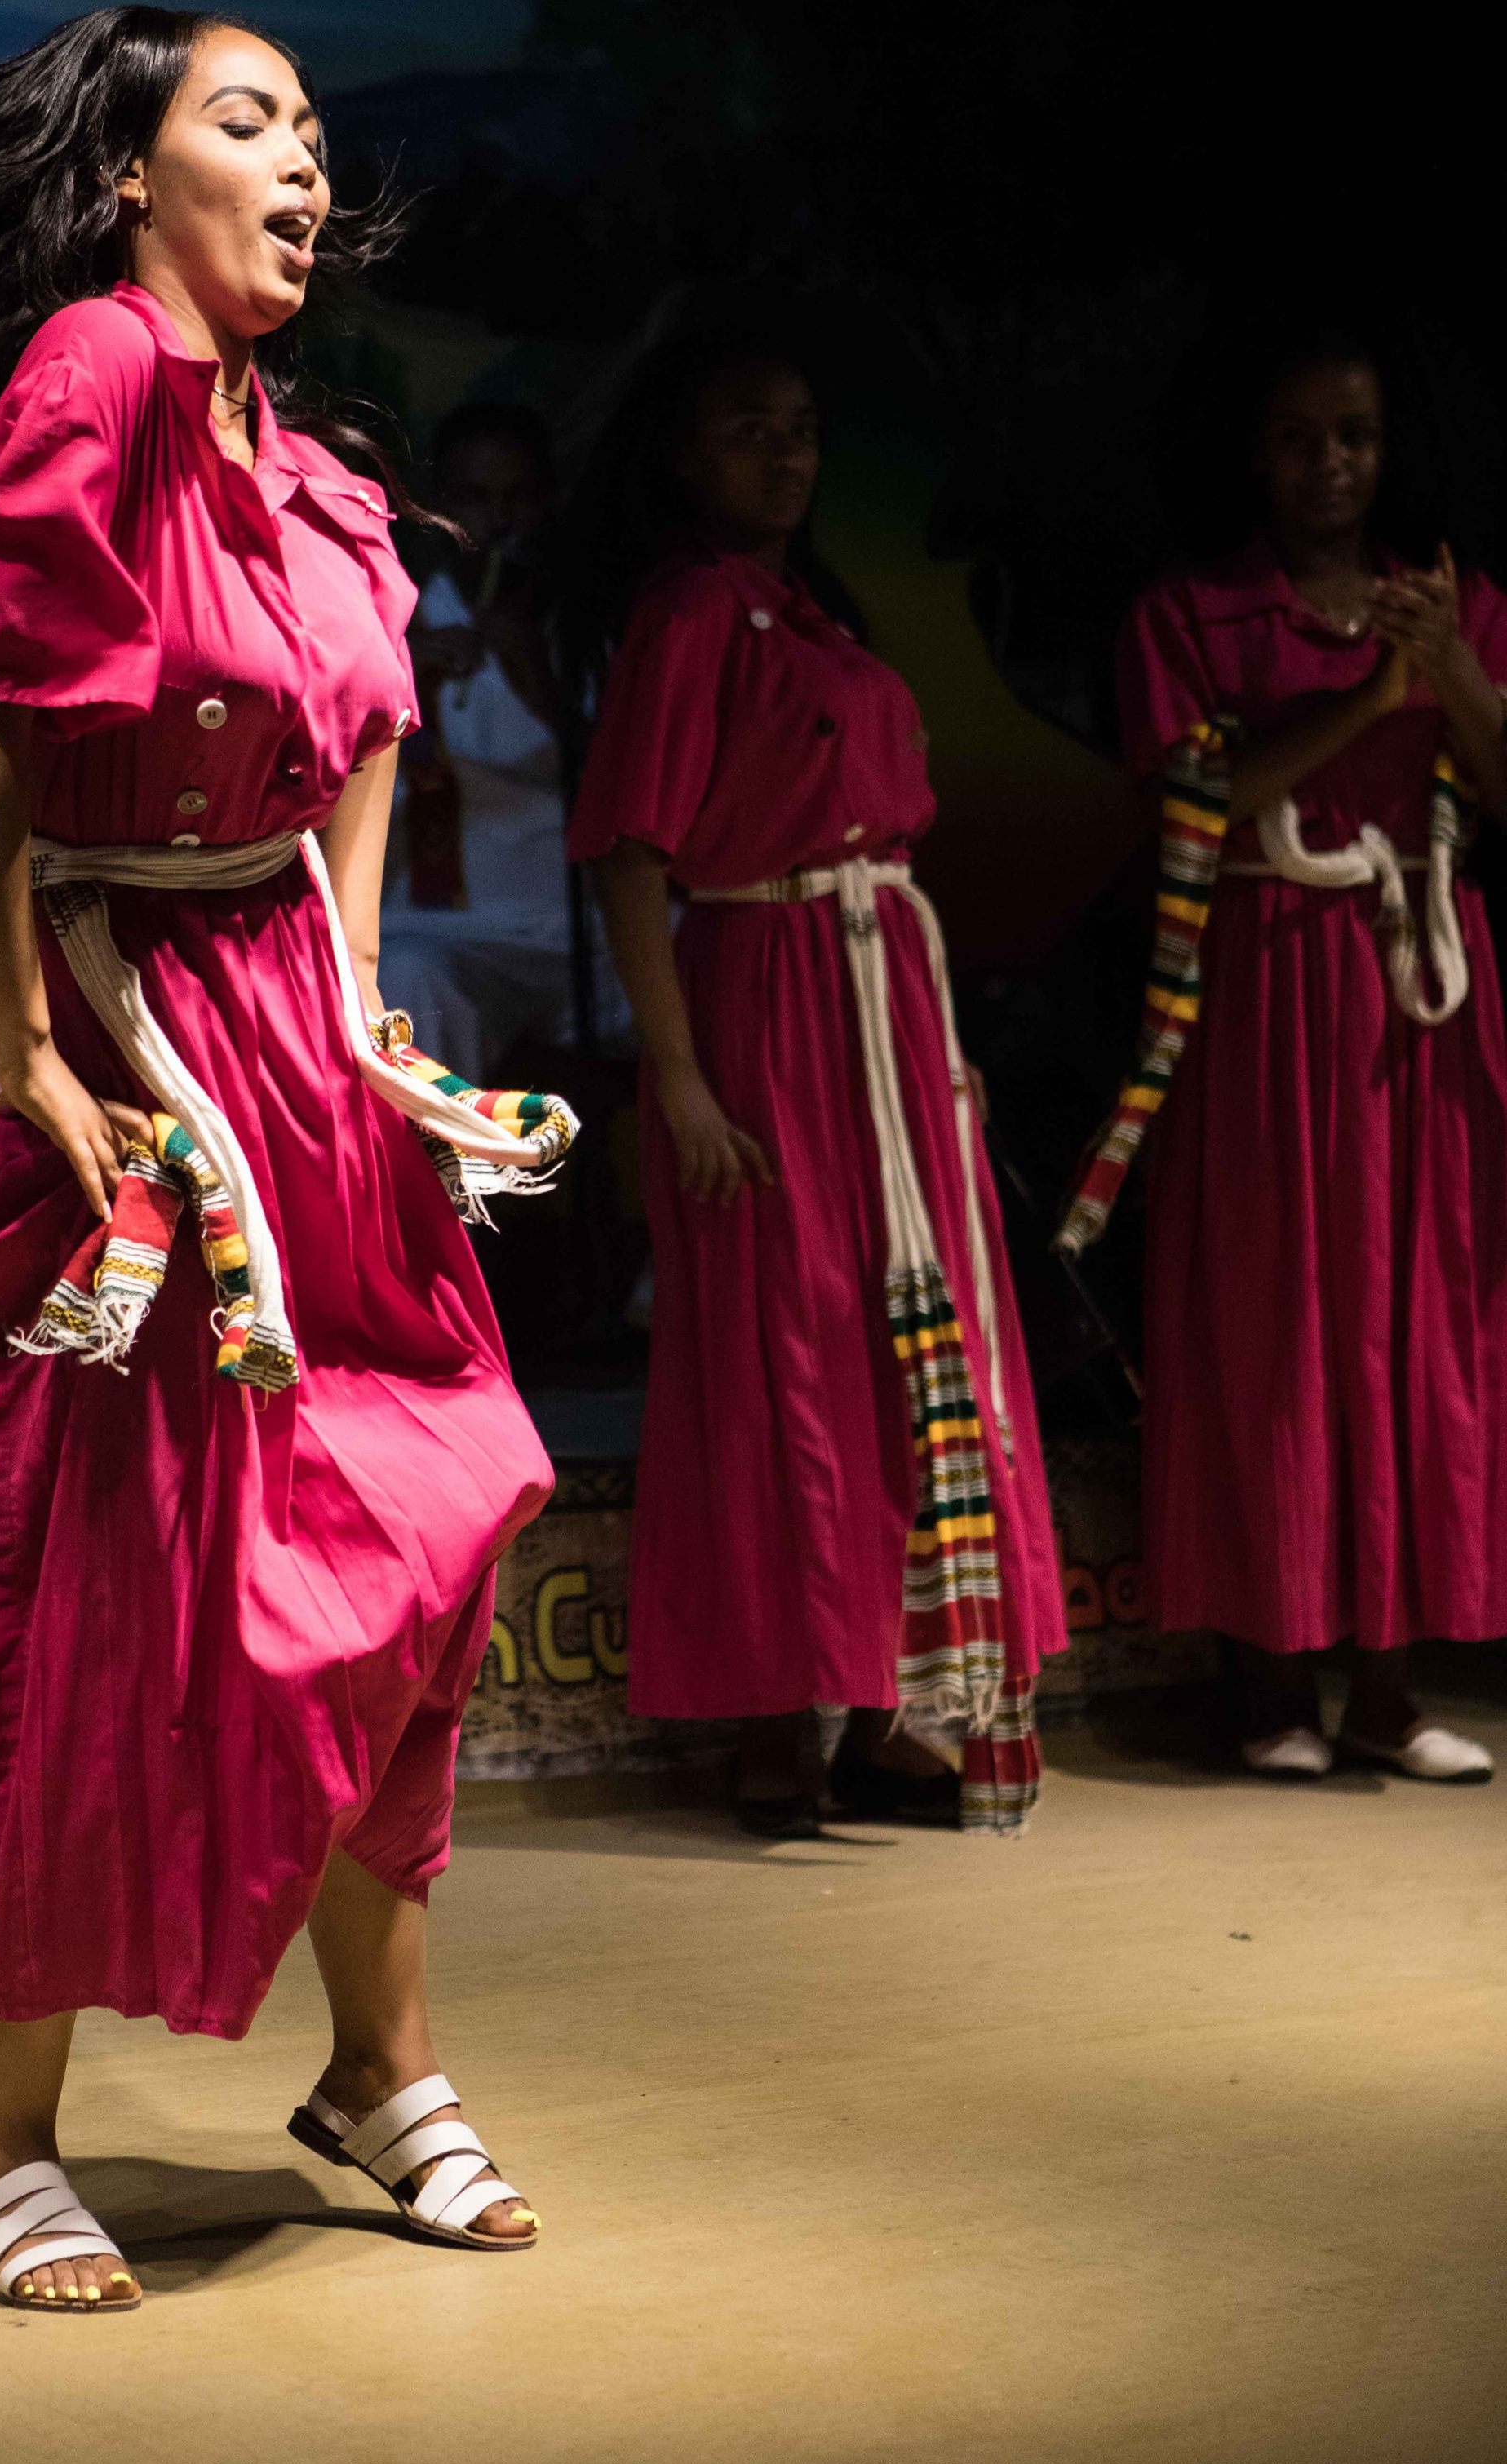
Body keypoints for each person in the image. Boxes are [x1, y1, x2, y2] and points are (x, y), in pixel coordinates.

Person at [0, 5, 573, 2311]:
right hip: (107, 1061)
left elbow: (369, 721)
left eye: (316, 133)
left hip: (290, 1057)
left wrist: (353, 996)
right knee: (87, 1590)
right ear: (131, 178)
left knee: (412, 1545)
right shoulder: (103, 371)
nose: (305, 166)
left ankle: (376, 2070)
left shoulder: (296, 452)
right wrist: (34, 1054)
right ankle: (3, 2147)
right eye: (249, 124)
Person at [563, 333, 1064, 1837]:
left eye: (798, 429)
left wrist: (938, 1057)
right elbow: (631, 861)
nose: (782, 456)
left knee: (898, 1349)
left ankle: (879, 1711)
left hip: (882, 1016)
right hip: (765, 1004)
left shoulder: (816, 618)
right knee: (784, 1344)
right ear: (683, 455)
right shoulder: (690, 614)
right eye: (746, 429)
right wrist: (680, 1085)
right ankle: (778, 1723)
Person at [1088, 335, 1507, 1782]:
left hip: (1418, 990)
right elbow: (1196, 810)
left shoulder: (1455, 601)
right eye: (1298, 439)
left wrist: (1448, 667)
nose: (1331, 465)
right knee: (1276, 1321)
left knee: (1416, 1316)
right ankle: (1272, 1689)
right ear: (1252, 455)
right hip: (1270, 978)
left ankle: (1391, 1689)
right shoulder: (1192, 613)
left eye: (1356, 436)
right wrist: (1374, 700)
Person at [381, 401, 619, 1079]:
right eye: (475, 499)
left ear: (547, 504)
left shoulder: (585, 638)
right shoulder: (392, 631)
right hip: (445, 935)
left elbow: (625, 787)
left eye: (519, 498)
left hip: (578, 933)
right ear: (436, 510)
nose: (499, 521)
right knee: (410, 981)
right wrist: (398, 674)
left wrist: (537, 679)